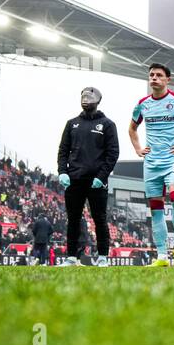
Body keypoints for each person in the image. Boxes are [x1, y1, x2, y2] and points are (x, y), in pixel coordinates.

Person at [128, 63, 174, 267]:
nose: (154, 78)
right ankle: (161, 255)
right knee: (156, 209)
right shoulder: (143, 104)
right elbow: (132, 129)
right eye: (151, 75)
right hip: (151, 163)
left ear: (168, 80)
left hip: (173, 160)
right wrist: (138, 149)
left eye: (159, 75)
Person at [57, 85, 121, 267]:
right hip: (74, 179)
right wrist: (62, 171)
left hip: (97, 182)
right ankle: (71, 258)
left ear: (98, 101)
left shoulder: (108, 124)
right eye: (83, 97)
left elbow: (113, 153)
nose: (85, 100)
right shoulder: (72, 123)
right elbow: (63, 150)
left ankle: (102, 257)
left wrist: (102, 176)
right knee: (73, 220)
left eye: (89, 97)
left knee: (100, 219)